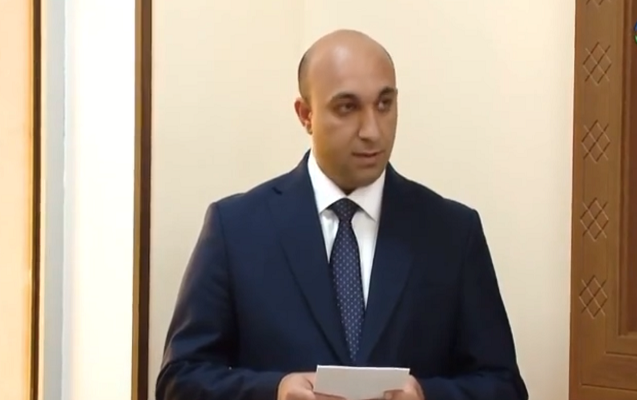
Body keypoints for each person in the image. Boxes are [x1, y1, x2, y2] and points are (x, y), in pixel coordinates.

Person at [155, 29, 528, 400]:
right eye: (347, 107)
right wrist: (274, 392)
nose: (372, 131)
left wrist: (426, 395)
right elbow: (179, 381)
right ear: (306, 115)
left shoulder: (452, 232)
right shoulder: (235, 229)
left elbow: (504, 386)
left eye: (384, 104)